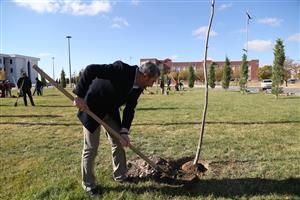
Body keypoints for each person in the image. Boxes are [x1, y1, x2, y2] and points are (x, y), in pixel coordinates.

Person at [73, 60, 165, 197]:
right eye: (152, 80)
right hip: (91, 106)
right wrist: (79, 96)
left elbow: (130, 108)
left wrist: (124, 130)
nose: (152, 84)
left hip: (110, 111)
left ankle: (121, 176)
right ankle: (89, 185)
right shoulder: (121, 69)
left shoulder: (139, 86)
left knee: (119, 141)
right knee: (91, 147)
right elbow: (90, 69)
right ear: (145, 76)